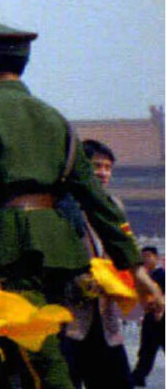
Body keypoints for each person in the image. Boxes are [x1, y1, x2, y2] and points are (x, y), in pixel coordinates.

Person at [0, 19, 164, 389]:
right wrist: (135, 267)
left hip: (12, 248)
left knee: (38, 357)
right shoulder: (55, 118)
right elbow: (95, 199)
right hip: (60, 250)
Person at [60, 140, 136, 388]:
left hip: (106, 317)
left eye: (108, 167)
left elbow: (124, 254)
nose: (103, 173)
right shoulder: (60, 206)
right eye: (97, 166)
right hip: (69, 317)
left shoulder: (114, 207)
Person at [131, 246, 165, 387]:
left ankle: (138, 376)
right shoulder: (145, 276)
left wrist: (160, 310)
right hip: (150, 318)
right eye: (143, 256)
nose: (145, 259)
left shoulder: (161, 275)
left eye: (148, 256)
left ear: (156, 258)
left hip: (161, 318)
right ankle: (138, 377)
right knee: (146, 350)